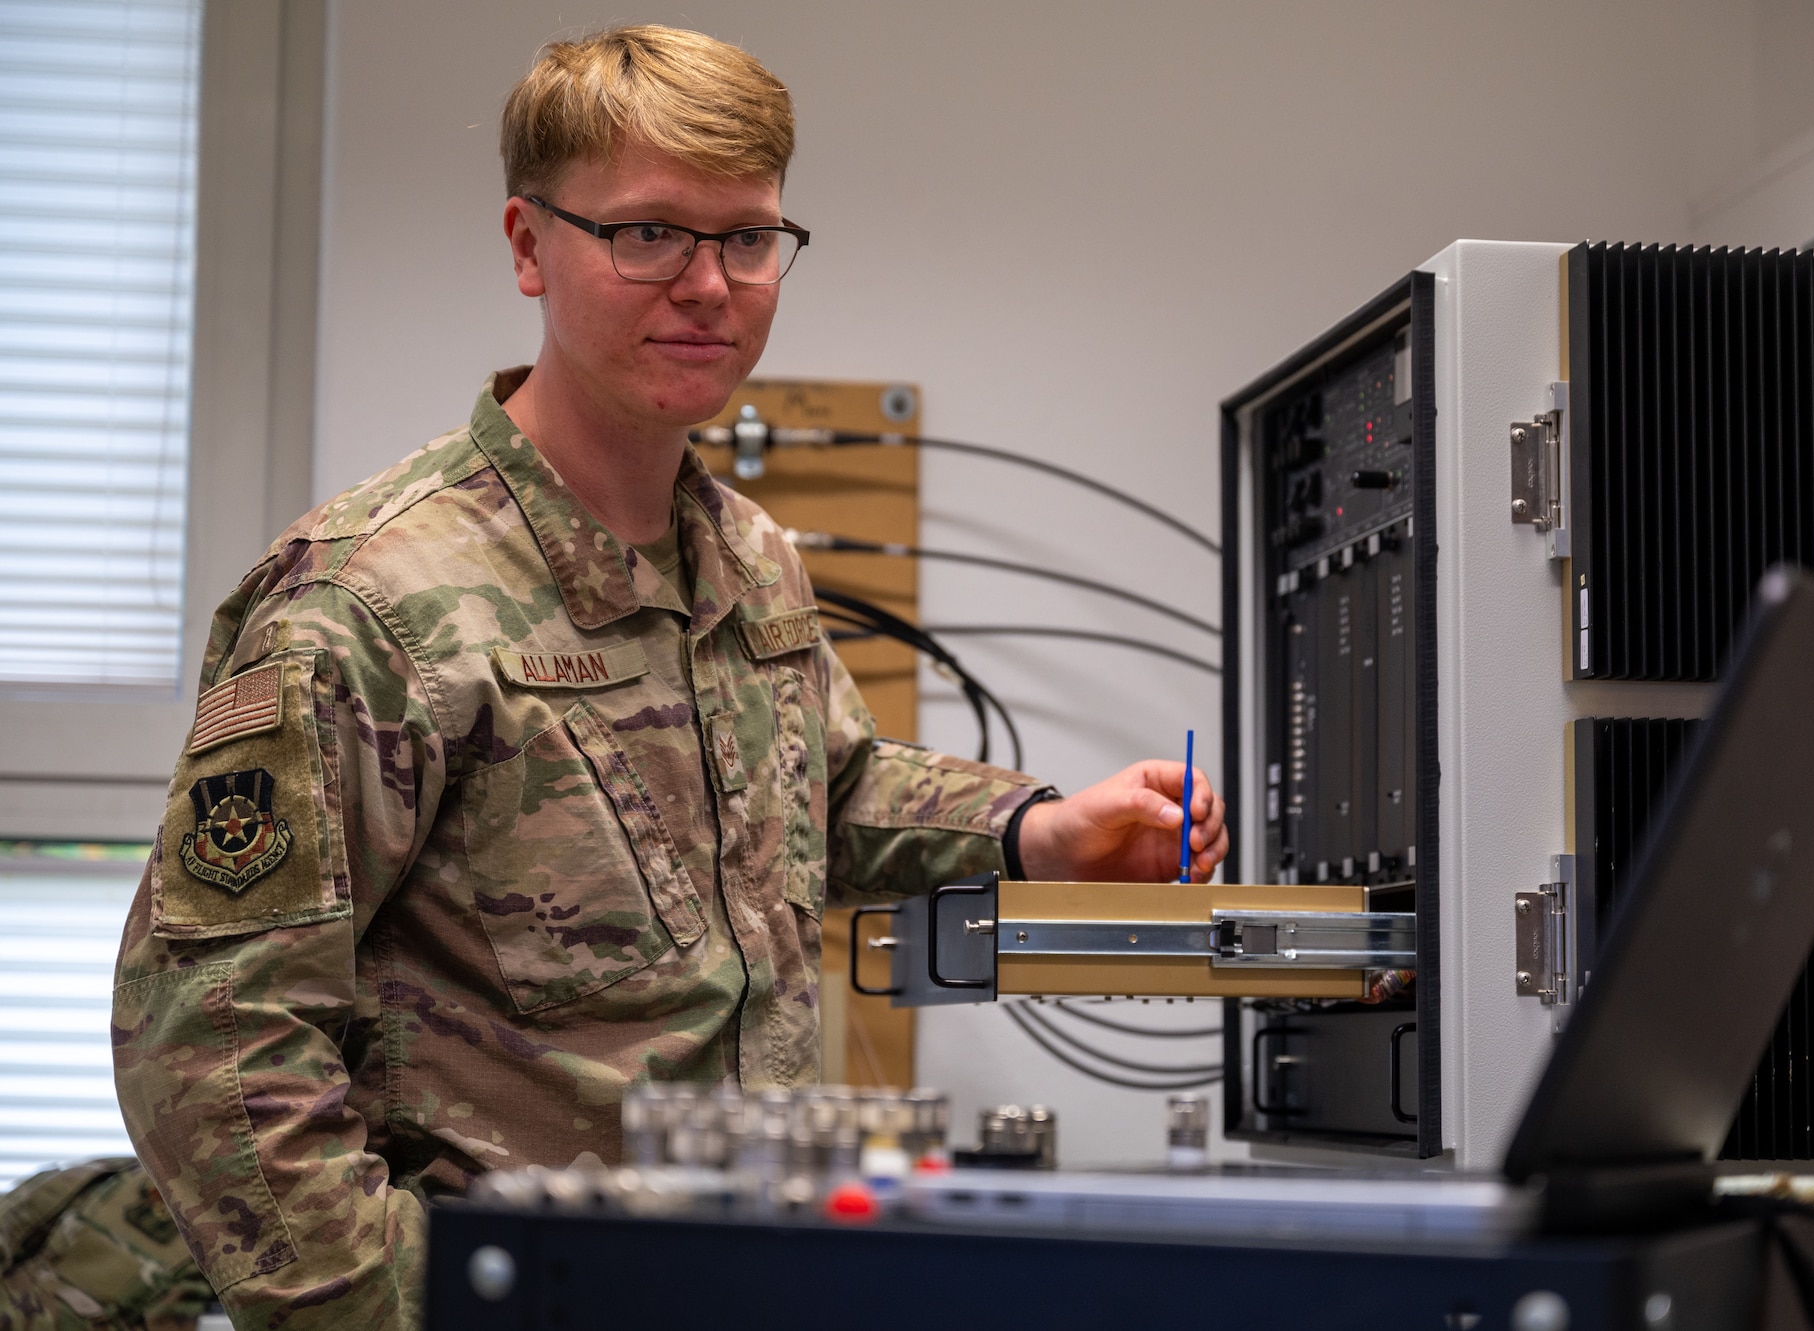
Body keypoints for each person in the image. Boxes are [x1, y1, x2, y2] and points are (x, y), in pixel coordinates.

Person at [100, 24, 1227, 1331]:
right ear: (528, 244)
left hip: (742, 1279)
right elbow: (210, 1042)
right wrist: (408, 1310)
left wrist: (1037, 830)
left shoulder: (748, 557)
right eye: (648, 234)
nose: (709, 285)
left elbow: (824, 789)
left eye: (749, 238)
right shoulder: (370, 602)